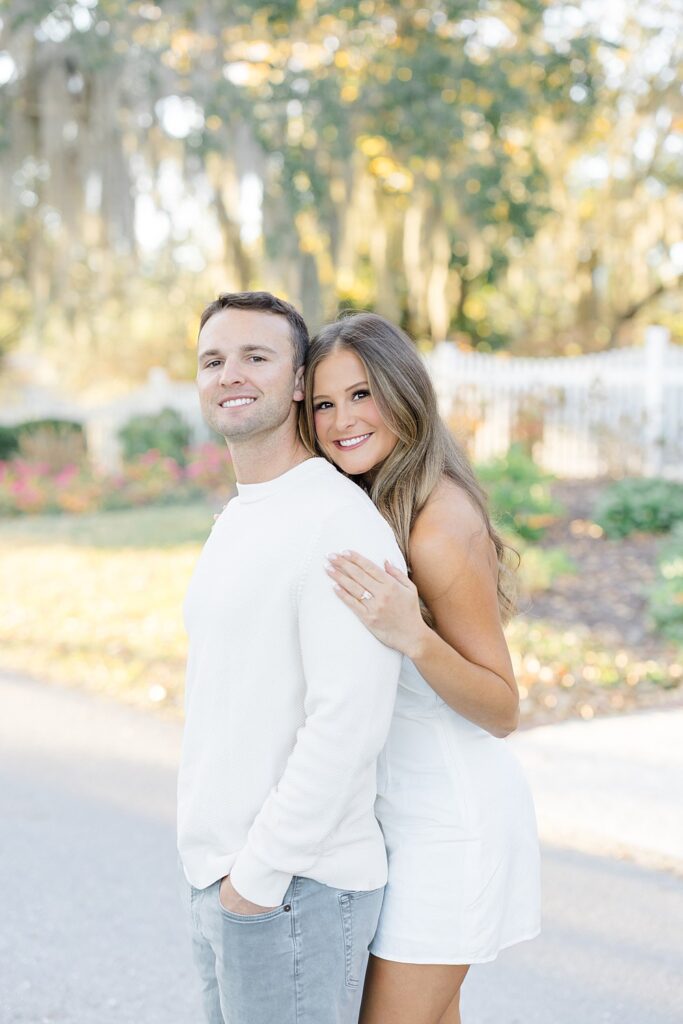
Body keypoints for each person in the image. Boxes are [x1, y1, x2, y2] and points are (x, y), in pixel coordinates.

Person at [300, 312, 541, 1024]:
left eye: (362, 394)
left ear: (403, 394)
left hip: (451, 825)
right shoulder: (374, 499)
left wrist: (415, 637)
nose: (342, 419)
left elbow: (502, 708)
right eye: (323, 402)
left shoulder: (438, 524)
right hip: (396, 823)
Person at [177, 292, 406, 1024]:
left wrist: (259, 877)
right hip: (227, 879)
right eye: (213, 359)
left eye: (256, 356)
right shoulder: (244, 516)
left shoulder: (336, 524)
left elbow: (347, 723)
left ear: (300, 380)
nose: (230, 374)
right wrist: (227, 878)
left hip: (295, 887)